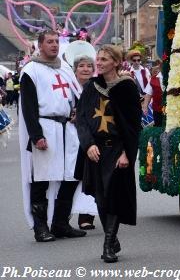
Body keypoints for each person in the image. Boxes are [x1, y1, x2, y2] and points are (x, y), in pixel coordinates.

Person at [75, 45, 141, 263]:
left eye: (104, 59)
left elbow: (133, 125)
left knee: (113, 194)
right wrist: (88, 145)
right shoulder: (91, 87)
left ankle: (107, 246)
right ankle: (112, 240)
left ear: (115, 62)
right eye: (98, 59)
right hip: (96, 149)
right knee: (101, 198)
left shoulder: (127, 87)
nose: (99, 62)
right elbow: (82, 119)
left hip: (117, 149)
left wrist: (126, 153)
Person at [18, 30, 86, 242]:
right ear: (40, 45)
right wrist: (36, 135)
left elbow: (75, 95)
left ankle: (60, 223)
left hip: (68, 129)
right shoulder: (31, 70)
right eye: (50, 42)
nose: (54, 45)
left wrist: (76, 111)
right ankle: (41, 228)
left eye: (57, 41)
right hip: (45, 127)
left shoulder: (64, 67)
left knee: (72, 175)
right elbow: (28, 107)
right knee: (42, 179)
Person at [67, 51, 99, 230]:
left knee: (88, 174)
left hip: (89, 137)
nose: (85, 69)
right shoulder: (68, 87)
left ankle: (86, 216)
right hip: (70, 136)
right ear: (75, 69)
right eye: (81, 66)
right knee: (71, 176)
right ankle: (64, 215)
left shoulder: (96, 89)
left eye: (89, 66)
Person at [127, 50, 151, 115]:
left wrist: (147, 98)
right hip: (134, 99)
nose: (137, 62)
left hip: (146, 98)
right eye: (134, 60)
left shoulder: (145, 70)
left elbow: (150, 85)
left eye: (138, 60)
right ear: (131, 61)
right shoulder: (128, 72)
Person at [149, 61, 164, 127]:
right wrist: (145, 106)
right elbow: (148, 93)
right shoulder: (153, 78)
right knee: (158, 127)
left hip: (170, 110)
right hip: (157, 109)